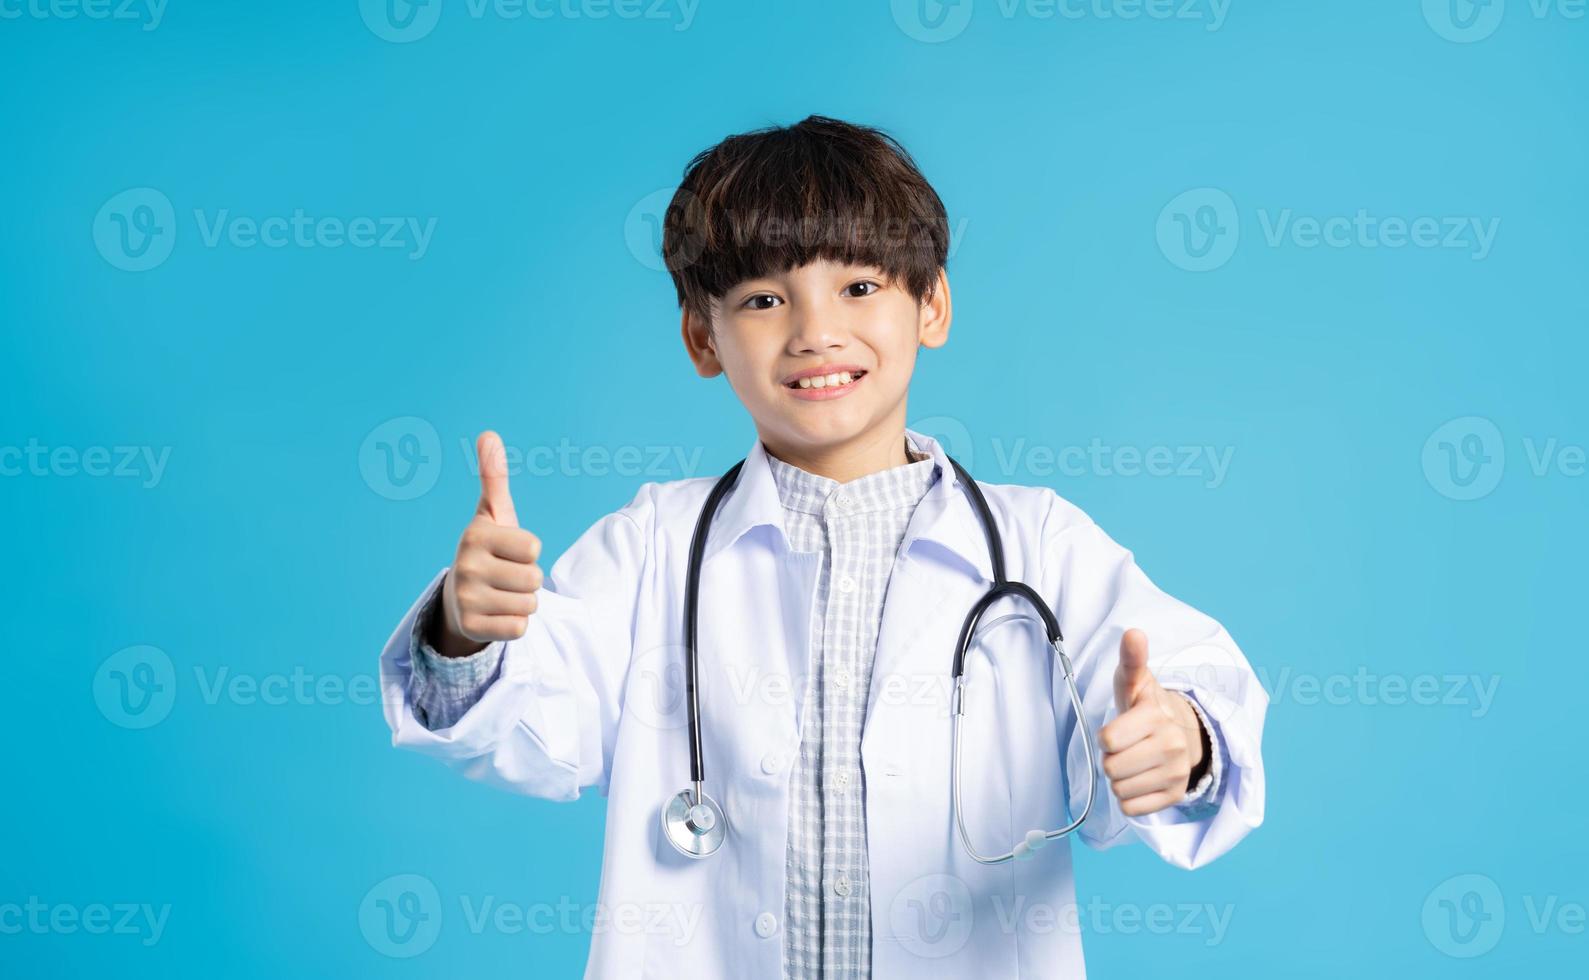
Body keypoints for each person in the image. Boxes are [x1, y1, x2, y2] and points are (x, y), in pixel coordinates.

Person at [377, 115, 1267, 979]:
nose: (813, 333)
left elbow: (1179, 687)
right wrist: (466, 632)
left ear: (932, 304)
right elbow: (536, 727)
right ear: (701, 338)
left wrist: (1179, 741)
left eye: (859, 288)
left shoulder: (1038, 545)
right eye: (763, 300)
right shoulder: (654, 545)